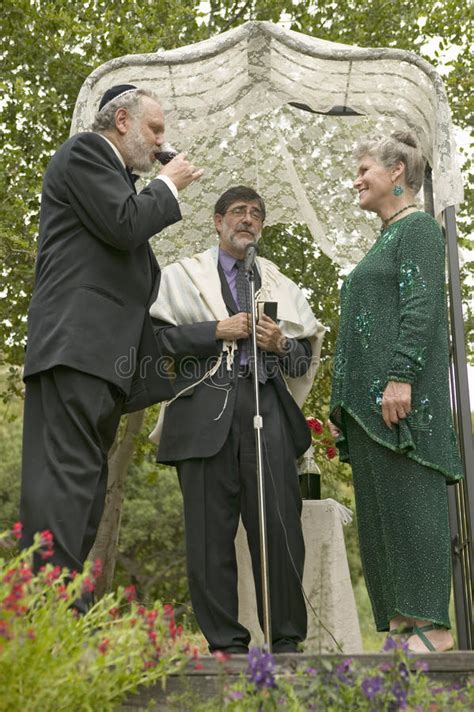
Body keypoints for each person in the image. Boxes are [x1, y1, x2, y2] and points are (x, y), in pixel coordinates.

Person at [20, 84, 203, 581]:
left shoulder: (115, 176)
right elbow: (125, 225)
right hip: (75, 348)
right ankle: (46, 607)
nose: (162, 142)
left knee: (85, 483)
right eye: (155, 129)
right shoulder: (86, 152)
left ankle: (60, 611)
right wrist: (166, 184)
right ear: (121, 121)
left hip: (98, 358)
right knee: (66, 482)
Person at [149, 186, 325, 653]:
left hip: (267, 408)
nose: (248, 219)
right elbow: (156, 343)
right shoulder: (182, 277)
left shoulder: (281, 284)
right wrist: (215, 331)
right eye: (239, 212)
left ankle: (287, 643)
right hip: (203, 411)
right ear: (217, 220)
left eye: (256, 214)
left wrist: (281, 344)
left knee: (281, 528)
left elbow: (303, 361)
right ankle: (225, 646)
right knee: (209, 537)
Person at [329, 131, 464, 653]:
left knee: (414, 506)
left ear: (397, 174)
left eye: (364, 169)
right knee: (384, 515)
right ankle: (405, 625)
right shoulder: (385, 237)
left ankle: (435, 627)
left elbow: (421, 307)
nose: (356, 179)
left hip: (401, 401)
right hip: (368, 409)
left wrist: (401, 376)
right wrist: (344, 397)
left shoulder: (419, 232)